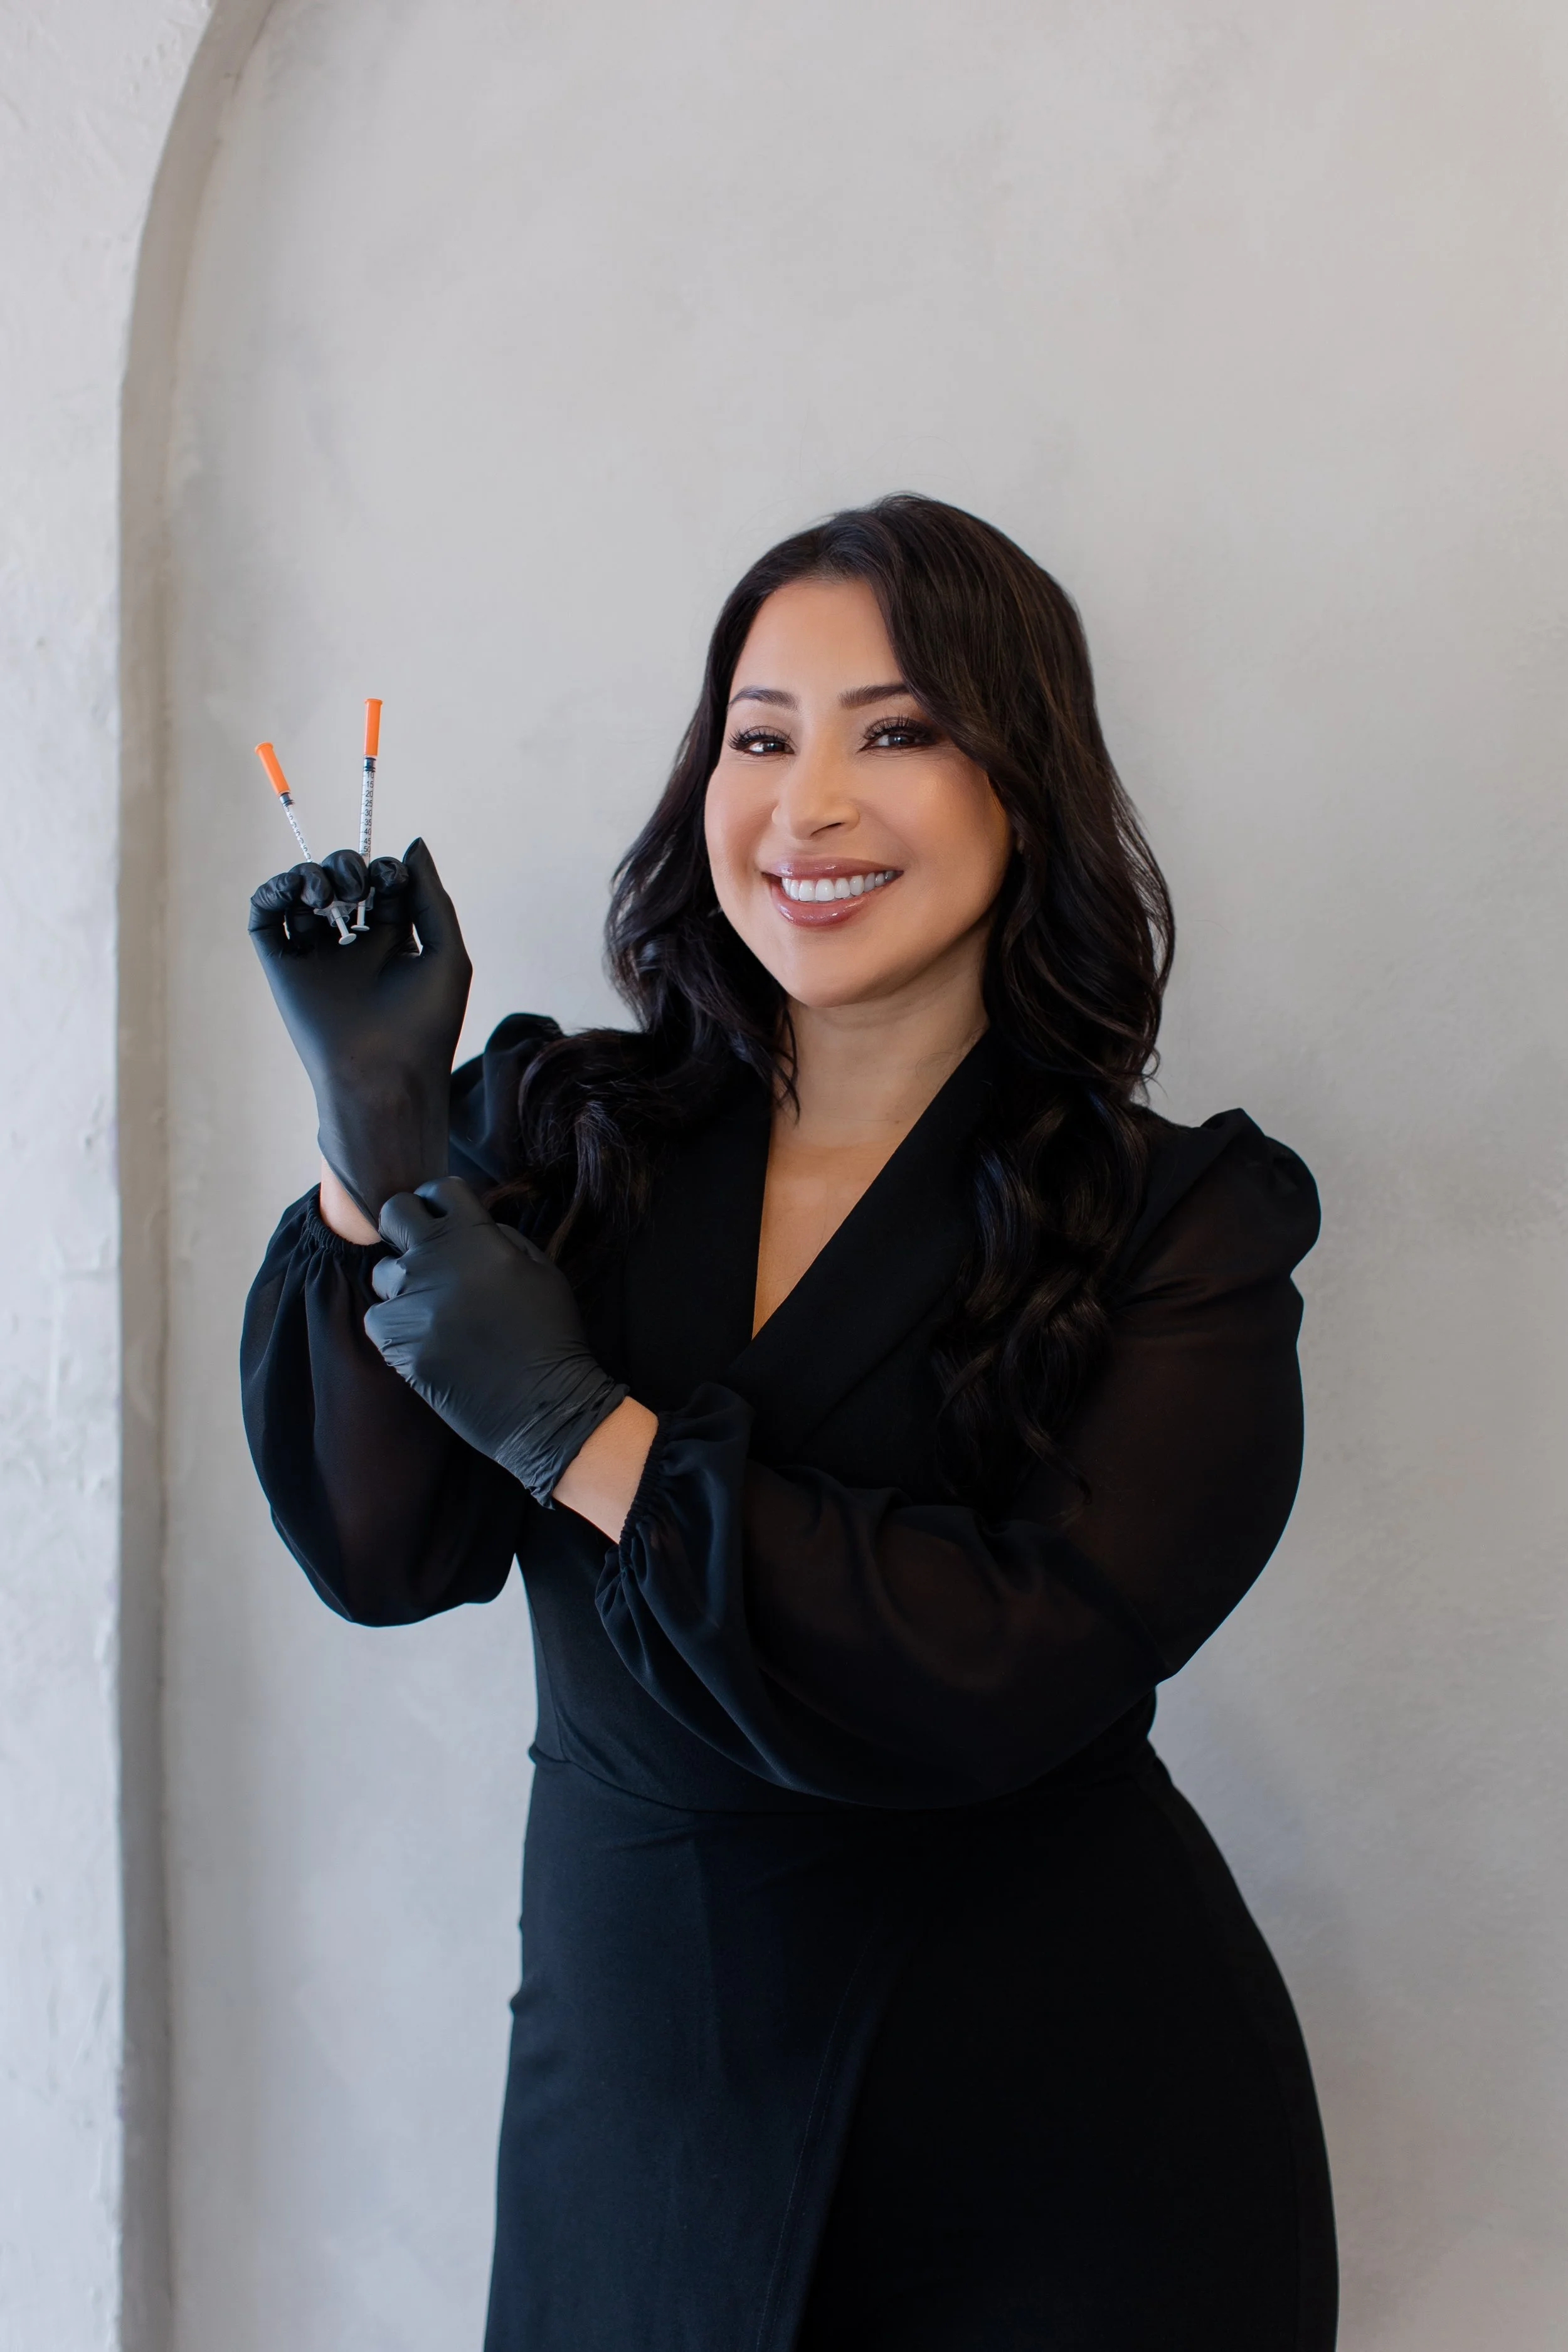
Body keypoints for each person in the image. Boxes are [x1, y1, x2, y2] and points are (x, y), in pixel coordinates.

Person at [241, 494, 1337, 2351]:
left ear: (1026, 776)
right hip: (638, 2106)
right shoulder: (562, 1138)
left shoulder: (1183, 1221)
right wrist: (382, 1156)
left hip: (1063, 2143)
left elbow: (1006, 1663)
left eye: (894, 732)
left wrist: (585, 1429)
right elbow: (382, 1552)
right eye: (760, 737)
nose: (807, 803)